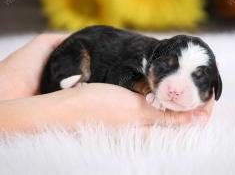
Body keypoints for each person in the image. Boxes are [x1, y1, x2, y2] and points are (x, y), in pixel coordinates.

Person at [0, 34, 215, 132]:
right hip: (82, 47)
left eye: (198, 77)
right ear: (152, 61)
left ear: (216, 86)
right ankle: (63, 86)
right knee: (69, 69)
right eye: (166, 68)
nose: (176, 89)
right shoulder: (139, 61)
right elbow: (120, 74)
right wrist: (72, 104)